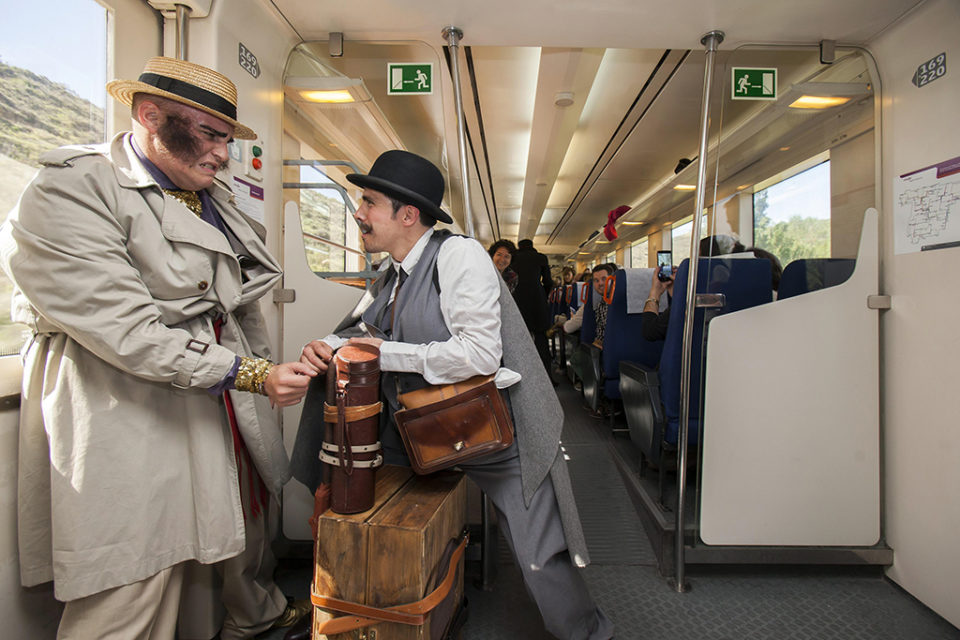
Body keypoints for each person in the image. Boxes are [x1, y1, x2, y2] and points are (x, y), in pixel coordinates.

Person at [0, 57, 317, 639]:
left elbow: (235, 291)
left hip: (206, 389)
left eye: (227, 139)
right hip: (122, 399)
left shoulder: (209, 193)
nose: (222, 153)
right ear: (149, 115)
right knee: (135, 566)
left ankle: (249, 618)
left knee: (224, 530)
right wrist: (252, 374)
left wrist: (253, 368)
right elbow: (126, 329)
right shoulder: (73, 188)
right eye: (210, 134)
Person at [293, 150, 613, 640]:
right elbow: (363, 327)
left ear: (407, 215)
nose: (358, 213)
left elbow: (480, 354)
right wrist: (327, 345)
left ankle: (587, 634)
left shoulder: (458, 256)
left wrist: (383, 354)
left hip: (486, 428)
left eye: (368, 202)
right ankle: (365, 616)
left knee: (540, 555)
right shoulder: (393, 272)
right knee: (360, 511)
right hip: (413, 427)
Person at [510, 237, 553, 374]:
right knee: (541, 341)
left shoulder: (514, 258)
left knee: (520, 341)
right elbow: (548, 282)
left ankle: (523, 375)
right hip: (537, 301)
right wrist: (542, 295)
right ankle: (547, 376)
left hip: (517, 301)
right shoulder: (541, 258)